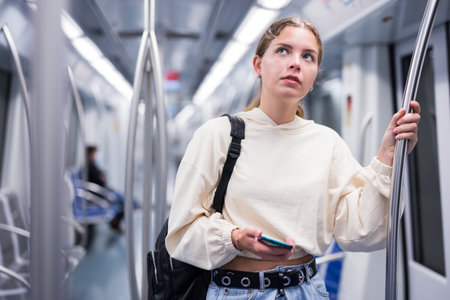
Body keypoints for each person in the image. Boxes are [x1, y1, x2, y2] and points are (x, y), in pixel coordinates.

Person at [165, 17, 421, 299]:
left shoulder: (327, 143)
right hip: (235, 291)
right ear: (258, 65)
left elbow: (360, 231)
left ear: (313, 77)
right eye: (283, 50)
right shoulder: (218, 135)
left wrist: (386, 158)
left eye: (308, 56)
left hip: (308, 290)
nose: (296, 62)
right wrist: (235, 238)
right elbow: (182, 234)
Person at [86, 145, 124, 233]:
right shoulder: (89, 167)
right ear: (90, 154)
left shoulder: (93, 165)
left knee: (119, 198)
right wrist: (102, 177)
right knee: (119, 200)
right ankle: (115, 222)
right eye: (94, 154)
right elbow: (98, 179)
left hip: (103, 190)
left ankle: (115, 221)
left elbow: (100, 175)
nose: (95, 156)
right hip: (99, 193)